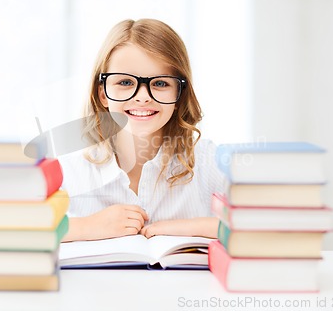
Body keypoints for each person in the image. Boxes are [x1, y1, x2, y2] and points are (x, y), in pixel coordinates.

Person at [59, 18, 226, 242]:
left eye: (160, 83)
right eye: (125, 83)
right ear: (102, 94)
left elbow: (261, 227)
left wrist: (189, 227)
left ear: (179, 95)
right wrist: (85, 227)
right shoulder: (71, 168)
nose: (143, 97)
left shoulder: (209, 163)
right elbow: (17, 231)